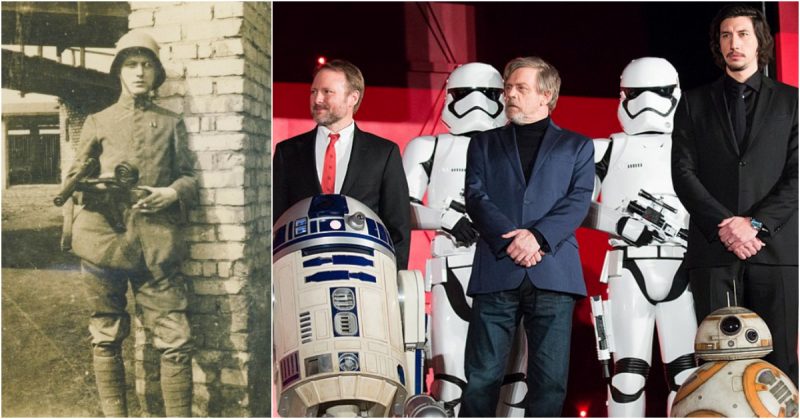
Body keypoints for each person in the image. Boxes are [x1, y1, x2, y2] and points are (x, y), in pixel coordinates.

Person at [64, 30, 197, 416]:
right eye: (131, 65)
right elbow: (73, 181)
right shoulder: (98, 121)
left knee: (175, 339)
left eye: (146, 65)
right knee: (106, 333)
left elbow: (188, 177)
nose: (139, 72)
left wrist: (171, 193)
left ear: (157, 73)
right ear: (118, 71)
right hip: (103, 241)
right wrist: (91, 186)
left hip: (156, 244)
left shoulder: (171, 123)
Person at [461, 56, 595, 417]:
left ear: (546, 95)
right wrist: (511, 241)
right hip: (497, 269)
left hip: (552, 271)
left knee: (550, 383)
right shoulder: (483, 144)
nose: (510, 94)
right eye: (508, 87)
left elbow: (578, 201)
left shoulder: (577, 146)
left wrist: (536, 237)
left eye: (520, 87)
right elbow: (476, 196)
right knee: (481, 377)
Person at [672, 4, 798, 385]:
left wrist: (755, 225)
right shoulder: (693, 102)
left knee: (780, 365)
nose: (734, 43)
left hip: (774, 253)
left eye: (743, 34)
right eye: (726, 35)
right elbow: (683, 172)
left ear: (760, 41)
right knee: (718, 368)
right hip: (714, 253)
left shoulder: (792, 101)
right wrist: (725, 226)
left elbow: (797, 175)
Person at [402, 62, 525, 416]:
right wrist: (446, 218)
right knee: (450, 383)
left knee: (513, 384)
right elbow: (401, 208)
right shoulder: (429, 147)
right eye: (462, 95)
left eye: (485, 95)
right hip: (452, 269)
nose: (474, 103)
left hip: (509, 269)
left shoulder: (520, 145)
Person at [584, 57, 697, 417]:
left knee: (687, 375)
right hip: (628, 264)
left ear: (674, 94)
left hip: (683, 263)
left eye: (658, 92)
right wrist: (621, 224)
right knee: (628, 376)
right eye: (637, 93)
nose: (647, 102)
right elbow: (576, 206)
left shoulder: (692, 146)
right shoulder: (606, 149)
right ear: (623, 96)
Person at [272, 59, 411, 269]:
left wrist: (394, 281)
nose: (317, 99)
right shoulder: (288, 152)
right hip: (302, 273)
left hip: (363, 273)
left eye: (327, 92)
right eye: (313, 91)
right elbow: (276, 221)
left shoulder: (383, 153)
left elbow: (398, 227)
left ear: (352, 98)